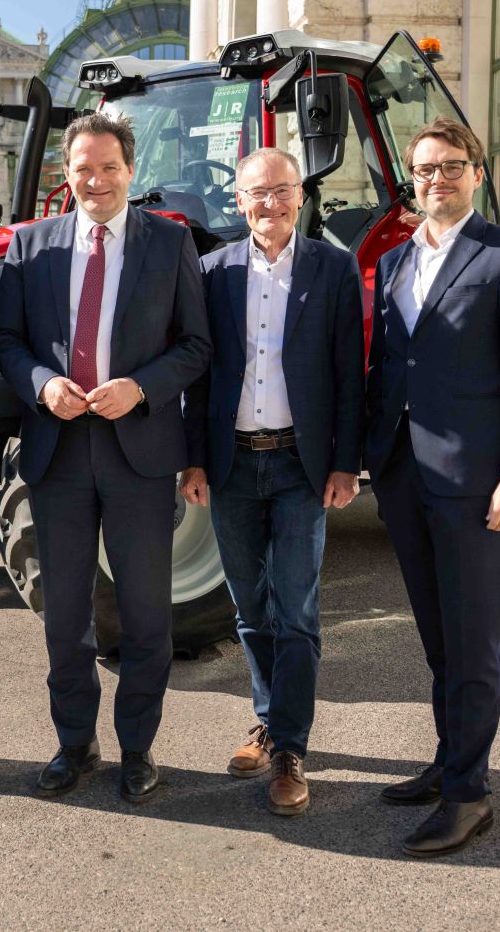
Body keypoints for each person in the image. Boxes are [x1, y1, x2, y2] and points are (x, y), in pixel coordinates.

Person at [0, 111, 211, 803]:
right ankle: (73, 742)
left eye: (109, 166)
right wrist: (41, 382)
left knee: (147, 614)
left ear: (129, 170)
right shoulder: (32, 247)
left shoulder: (169, 244)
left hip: (138, 453)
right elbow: (7, 339)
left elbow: (196, 346)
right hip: (57, 451)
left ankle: (138, 748)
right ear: (67, 172)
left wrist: (141, 387)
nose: (97, 179)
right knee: (65, 614)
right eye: (83, 167)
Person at [365, 118, 500, 858]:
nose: (434, 179)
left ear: (477, 171)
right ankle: (449, 761)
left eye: (448, 166)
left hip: (477, 482)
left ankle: (469, 796)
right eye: (422, 169)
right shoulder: (403, 259)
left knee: (475, 640)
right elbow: (392, 367)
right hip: (407, 475)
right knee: (439, 637)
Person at [178, 149, 364, 817]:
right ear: (238, 200)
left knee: (296, 609)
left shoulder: (333, 268)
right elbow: (197, 375)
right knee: (250, 608)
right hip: (230, 463)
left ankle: (288, 747)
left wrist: (346, 463)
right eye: (258, 193)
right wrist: (192, 458)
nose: (271, 204)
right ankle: (266, 716)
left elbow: (350, 372)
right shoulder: (211, 271)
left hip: (300, 466)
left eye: (282, 190)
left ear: (299, 194)